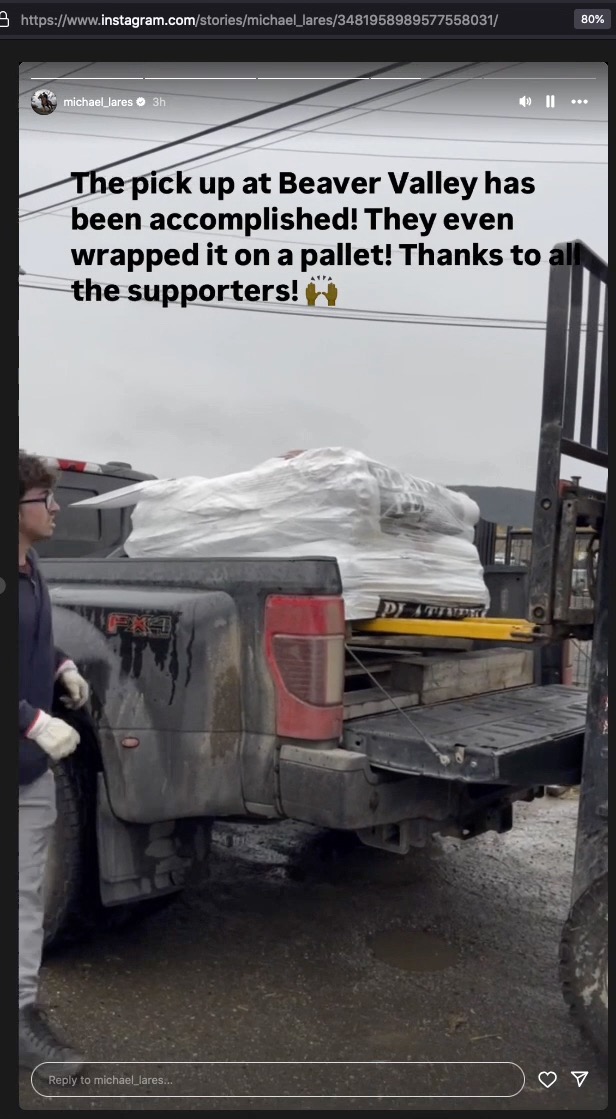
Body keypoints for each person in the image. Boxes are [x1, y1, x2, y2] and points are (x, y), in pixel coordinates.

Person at [19, 452, 90, 1074]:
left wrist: (61, 663)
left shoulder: (31, 564)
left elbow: (31, 637)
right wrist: (34, 721)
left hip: (26, 772)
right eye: (45, 498)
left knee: (23, 894)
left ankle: (18, 1015)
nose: (57, 507)